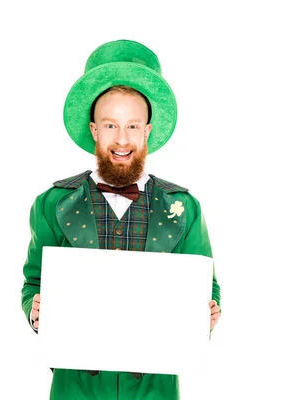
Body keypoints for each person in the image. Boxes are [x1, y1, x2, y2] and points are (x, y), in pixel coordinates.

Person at [20, 39, 221, 400]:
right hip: (75, 389)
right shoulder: (52, 203)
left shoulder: (184, 207)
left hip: (154, 389)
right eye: (110, 126)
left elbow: (206, 287)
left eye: (132, 126)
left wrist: (204, 313)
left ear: (147, 131)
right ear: (94, 130)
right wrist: (35, 310)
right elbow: (33, 281)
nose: (122, 140)